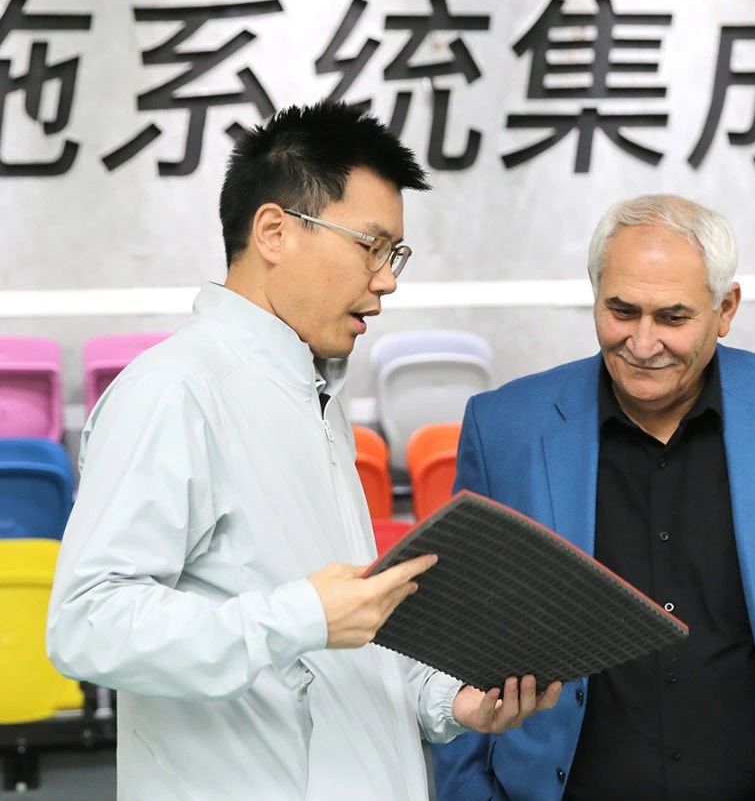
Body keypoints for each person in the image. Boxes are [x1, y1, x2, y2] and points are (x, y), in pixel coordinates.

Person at [46, 100, 559, 800]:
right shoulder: (174, 390)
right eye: (371, 246)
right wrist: (300, 616)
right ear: (274, 231)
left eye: (394, 254)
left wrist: (447, 698)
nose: (387, 279)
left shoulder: (312, 391)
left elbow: (337, 639)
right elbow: (87, 622)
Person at [432, 194, 755, 800]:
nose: (643, 341)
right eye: (622, 311)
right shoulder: (505, 429)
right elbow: (459, 639)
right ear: (595, 294)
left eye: (672, 317)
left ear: (725, 309)